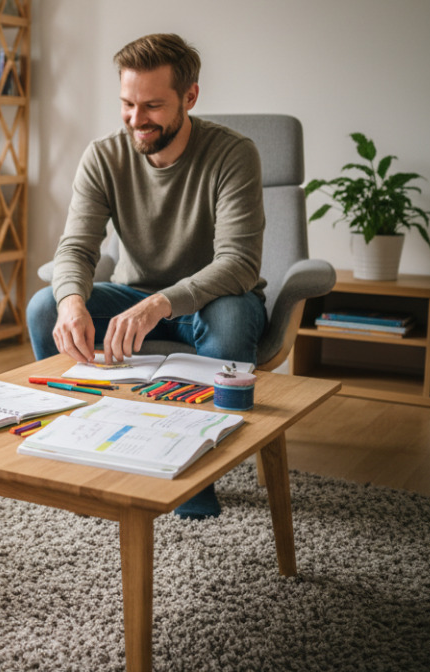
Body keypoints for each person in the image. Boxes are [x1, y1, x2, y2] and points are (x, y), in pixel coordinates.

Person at [26, 33, 267, 519]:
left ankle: (194, 481)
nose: (137, 120)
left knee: (233, 325)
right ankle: (79, 451)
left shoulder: (233, 154)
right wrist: (72, 300)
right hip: (133, 297)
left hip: (215, 301)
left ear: (190, 98)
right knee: (45, 307)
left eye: (153, 106)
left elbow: (239, 263)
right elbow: (75, 247)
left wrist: (161, 303)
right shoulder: (103, 157)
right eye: (127, 103)